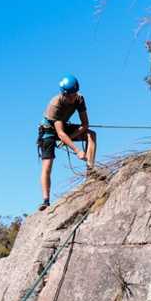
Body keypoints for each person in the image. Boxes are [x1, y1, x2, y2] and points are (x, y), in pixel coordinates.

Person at [37, 74, 98, 211]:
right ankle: (46, 200)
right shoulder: (55, 104)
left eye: (74, 93)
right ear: (63, 94)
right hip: (48, 131)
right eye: (70, 95)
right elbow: (60, 133)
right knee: (47, 165)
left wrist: (71, 137)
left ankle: (90, 171)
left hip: (63, 127)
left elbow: (85, 124)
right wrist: (77, 150)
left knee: (91, 135)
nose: (73, 97)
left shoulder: (79, 99)